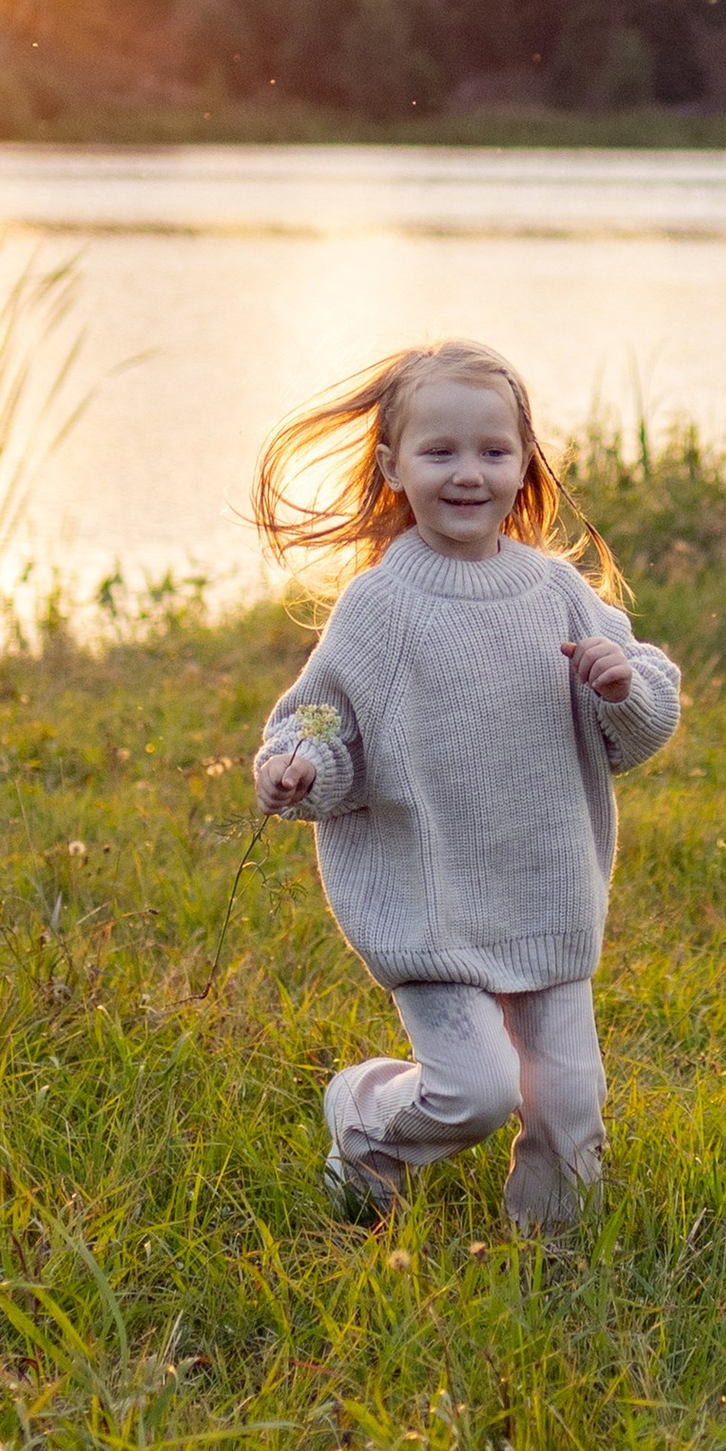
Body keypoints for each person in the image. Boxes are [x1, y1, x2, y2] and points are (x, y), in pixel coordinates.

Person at [250, 341, 682, 1230]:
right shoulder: (382, 605)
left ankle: (551, 1264)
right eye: (439, 452)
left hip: (547, 897)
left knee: (568, 1108)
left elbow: (638, 727)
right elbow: (320, 724)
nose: (468, 473)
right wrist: (298, 769)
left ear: (525, 462)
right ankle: (367, 1120)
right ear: (393, 467)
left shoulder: (555, 591)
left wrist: (621, 685)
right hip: (432, 905)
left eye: (492, 451)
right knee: (475, 1094)